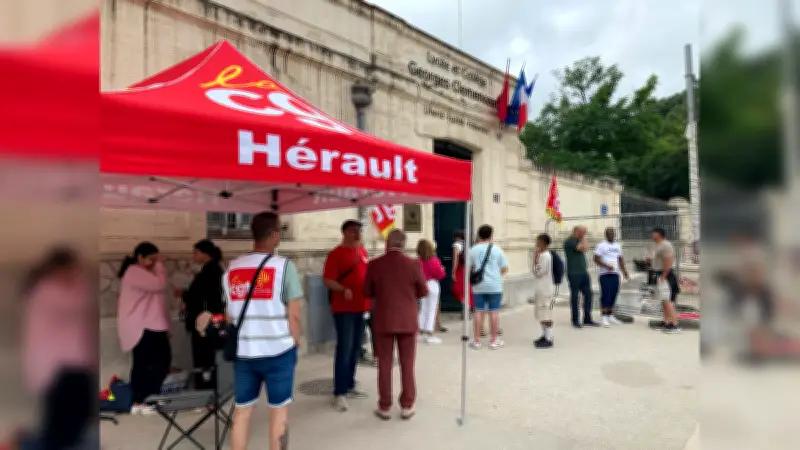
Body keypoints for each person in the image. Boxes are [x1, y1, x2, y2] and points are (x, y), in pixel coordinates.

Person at [223, 212, 303, 450]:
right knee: (279, 413)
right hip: (279, 351)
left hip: (245, 352)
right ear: (275, 235)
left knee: (242, 412)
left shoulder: (233, 268)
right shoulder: (284, 267)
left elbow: (229, 315)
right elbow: (295, 315)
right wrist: (295, 341)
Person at [22, 247, 95, 449]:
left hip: (73, 365)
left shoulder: (66, 288)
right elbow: (77, 303)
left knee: (74, 422)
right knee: (61, 427)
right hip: (57, 367)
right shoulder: (48, 292)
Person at [364, 229, 428, 420]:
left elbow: (367, 291)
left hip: (383, 318)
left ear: (387, 243)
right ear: (404, 244)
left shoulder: (375, 264)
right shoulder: (413, 264)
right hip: (407, 319)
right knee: (407, 363)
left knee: (384, 363)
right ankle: (407, 405)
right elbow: (423, 290)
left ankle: (384, 406)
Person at [116, 241, 171, 415]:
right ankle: (140, 400)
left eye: (156, 260)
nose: (154, 263)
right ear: (139, 258)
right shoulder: (134, 272)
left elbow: (159, 298)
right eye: (151, 260)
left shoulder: (146, 272)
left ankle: (151, 396)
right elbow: (159, 285)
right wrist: (160, 266)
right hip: (142, 326)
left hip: (153, 325)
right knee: (144, 364)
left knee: (160, 361)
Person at [323, 219, 371, 412]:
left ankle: (350, 383)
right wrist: (342, 289)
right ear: (344, 232)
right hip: (344, 309)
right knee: (344, 348)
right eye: (353, 231)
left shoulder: (363, 251)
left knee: (355, 348)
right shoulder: (336, 254)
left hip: (362, 307)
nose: (357, 234)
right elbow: (327, 280)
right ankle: (339, 392)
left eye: (359, 230)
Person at [180, 239, 224, 393]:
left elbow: (204, 297)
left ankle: (206, 392)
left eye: (196, 252)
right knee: (204, 358)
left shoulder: (211, 272)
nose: (193, 255)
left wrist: (186, 295)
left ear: (206, 254)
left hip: (205, 324)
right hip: (205, 322)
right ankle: (206, 390)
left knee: (204, 359)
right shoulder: (209, 271)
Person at [468, 224, 509, 350]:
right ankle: (493, 340)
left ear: (479, 235)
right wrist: (496, 275)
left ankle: (476, 340)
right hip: (494, 286)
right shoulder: (497, 250)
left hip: (479, 285)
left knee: (478, 311)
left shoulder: (473, 249)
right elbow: (505, 268)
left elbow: (469, 268)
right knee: (494, 312)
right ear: (491, 235)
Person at [593, 228, 630, 327]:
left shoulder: (618, 246)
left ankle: (610, 315)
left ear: (614, 235)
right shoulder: (601, 246)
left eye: (612, 234)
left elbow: (620, 260)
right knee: (606, 294)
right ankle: (604, 317)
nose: (610, 235)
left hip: (615, 273)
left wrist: (625, 272)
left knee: (614, 293)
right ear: (605, 235)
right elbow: (595, 259)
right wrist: (606, 266)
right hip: (605, 274)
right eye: (608, 234)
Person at [564, 226, 599, 328]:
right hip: (574, 273)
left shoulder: (578, 240)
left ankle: (587, 318)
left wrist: (582, 237)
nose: (584, 235)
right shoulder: (569, 242)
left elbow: (585, 248)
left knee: (588, 294)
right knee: (575, 297)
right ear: (577, 232)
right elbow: (585, 248)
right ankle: (575, 320)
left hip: (583, 273)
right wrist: (584, 238)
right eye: (583, 233)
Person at [651, 227, 681, 333]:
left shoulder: (666, 245)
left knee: (668, 301)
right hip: (659, 274)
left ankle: (675, 325)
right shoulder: (657, 245)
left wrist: (664, 275)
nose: (652, 235)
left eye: (653, 233)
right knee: (664, 300)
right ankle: (666, 322)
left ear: (659, 234)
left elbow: (669, 260)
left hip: (666, 276)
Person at [416, 239, 446, 345]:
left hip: (422, 284)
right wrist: (442, 269)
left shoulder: (417, 260)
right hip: (432, 284)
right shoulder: (434, 260)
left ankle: (420, 332)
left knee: (423, 308)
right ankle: (430, 335)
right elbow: (440, 274)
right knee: (432, 309)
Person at [532, 234, 556, 349]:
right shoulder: (542, 255)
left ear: (542, 242)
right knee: (541, 314)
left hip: (545, 290)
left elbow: (539, 272)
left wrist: (535, 261)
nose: (536, 243)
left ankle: (549, 338)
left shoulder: (545, 256)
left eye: (537, 240)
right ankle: (544, 335)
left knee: (546, 314)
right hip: (540, 289)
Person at [451, 229, 473, 316]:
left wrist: (453, 271)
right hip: (467, 268)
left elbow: (455, 260)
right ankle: (467, 309)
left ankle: (465, 309)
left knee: (458, 290)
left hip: (460, 269)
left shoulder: (456, 245)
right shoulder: (467, 245)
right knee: (466, 289)